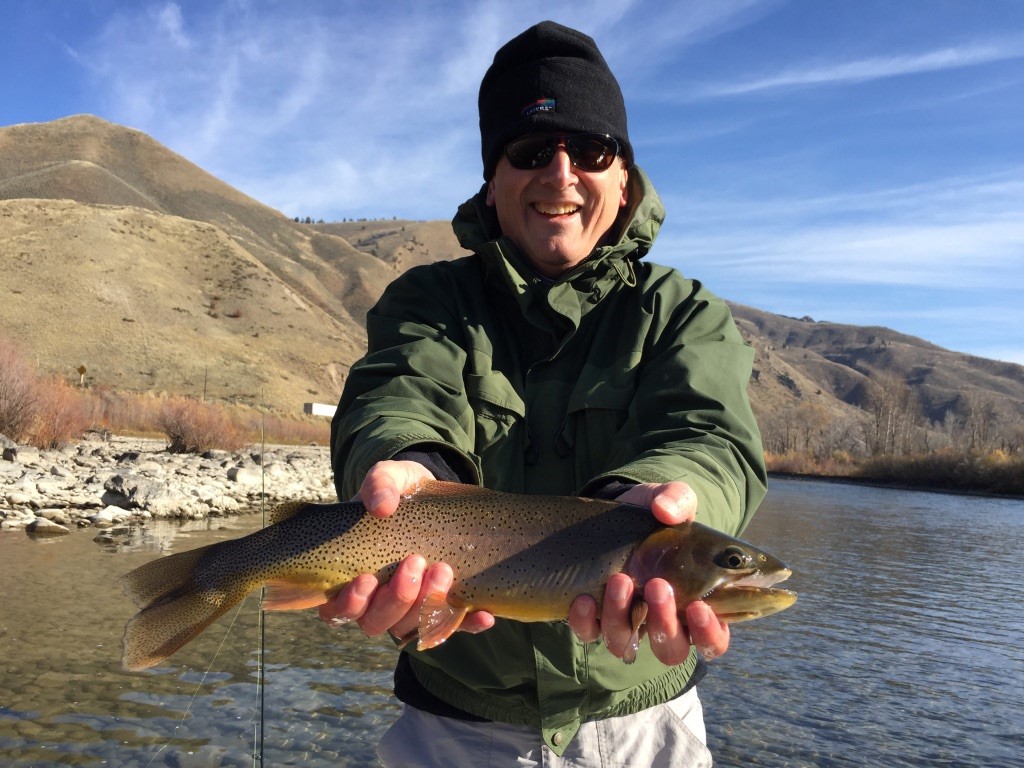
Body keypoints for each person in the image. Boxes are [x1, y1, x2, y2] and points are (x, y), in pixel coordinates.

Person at [324, 20, 767, 767]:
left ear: (623, 180)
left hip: (644, 726)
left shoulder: (684, 313)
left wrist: (649, 510)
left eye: (590, 151)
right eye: (530, 151)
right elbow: (399, 397)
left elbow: (710, 437)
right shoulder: (428, 302)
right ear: (492, 184)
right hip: (454, 726)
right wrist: (410, 470)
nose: (561, 174)